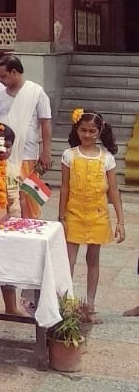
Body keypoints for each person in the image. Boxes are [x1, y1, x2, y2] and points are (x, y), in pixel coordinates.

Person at [59, 109, 125, 321]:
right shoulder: (69, 155)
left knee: (93, 260)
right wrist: (61, 217)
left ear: (100, 131)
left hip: (98, 215)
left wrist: (120, 221)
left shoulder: (107, 158)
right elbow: (64, 188)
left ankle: (90, 306)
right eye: (83, 130)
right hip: (74, 214)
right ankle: (66, 305)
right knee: (68, 260)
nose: (87, 135)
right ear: (77, 130)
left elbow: (113, 190)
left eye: (92, 131)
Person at [0, 54, 52, 218]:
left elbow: (45, 123)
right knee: (6, 195)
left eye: (3, 76)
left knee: (28, 197)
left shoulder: (36, 92)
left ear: (14, 72)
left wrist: (46, 152)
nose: (1, 80)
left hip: (28, 155)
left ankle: (30, 229)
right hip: (4, 154)